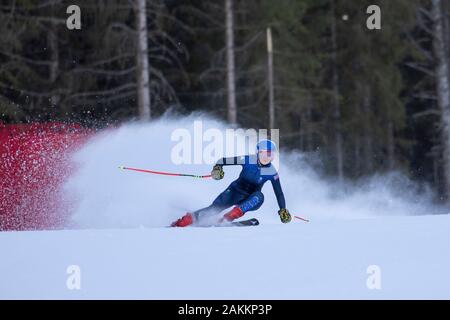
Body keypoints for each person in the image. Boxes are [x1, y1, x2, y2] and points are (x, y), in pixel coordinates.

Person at [171, 139, 291, 227]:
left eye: (270, 154)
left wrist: (283, 210)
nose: (266, 157)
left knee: (259, 197)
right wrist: (218, 169)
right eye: (263, 153)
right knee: (213, 209)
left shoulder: (272, 171)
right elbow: (222, 161)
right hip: (234, 192)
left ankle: (228, 218)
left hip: (250, 199)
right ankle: (183, 221)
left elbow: (279, 193)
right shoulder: (247, 159)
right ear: (257, 153)